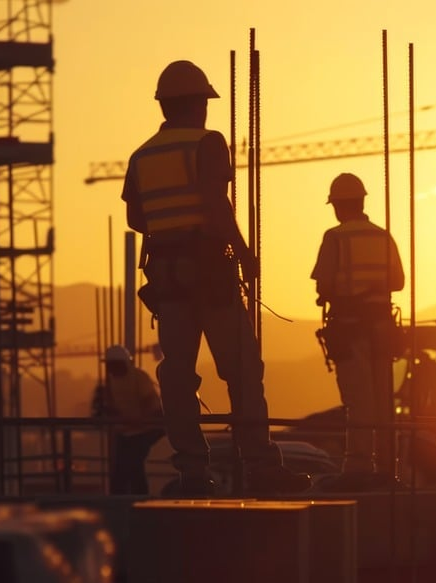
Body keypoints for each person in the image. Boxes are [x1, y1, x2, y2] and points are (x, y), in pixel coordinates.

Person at [120, 60, 309, 496]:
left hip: (167, 278)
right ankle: (260, 464)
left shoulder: (142, 154)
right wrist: (244, 254)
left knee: (179, 376)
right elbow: (216, 203)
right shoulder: (208, 143)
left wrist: (170, 229)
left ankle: (191, 470)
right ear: (197, 104)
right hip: (208, 272)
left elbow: (135, 217)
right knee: (241, 369)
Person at [311, 172, 406, 491]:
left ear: (337, 205)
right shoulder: (383, 237)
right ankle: (385, 466)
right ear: (362, 201)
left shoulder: (335, 237)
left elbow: (323, 285)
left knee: (358, 399)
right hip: (381, 327)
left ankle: (358, 467)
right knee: (382, 399)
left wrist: (340, 291)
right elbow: (398, 282)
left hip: (350, 329)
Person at [92, 345, 165, 495]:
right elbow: (104, 408)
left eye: (112, 364)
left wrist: (139, 420)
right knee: (125, 467)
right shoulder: (109, 383)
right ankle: (126, 498)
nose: (110, 368)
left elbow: (150, 405)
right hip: (128, 431)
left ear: (122, 363)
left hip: (149, 428)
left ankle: (133, 498)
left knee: (132, 463)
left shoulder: (139, 377)